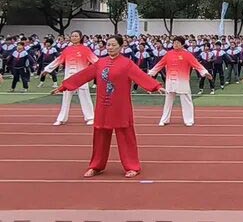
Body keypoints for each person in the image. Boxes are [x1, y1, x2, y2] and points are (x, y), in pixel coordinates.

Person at [51, 35, 166, 178]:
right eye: (108, 45)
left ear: (120, 46)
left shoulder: (126, 64)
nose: (110, 48)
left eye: (113, 45)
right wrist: (64, 86)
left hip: (120, 106)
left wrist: (156, 86)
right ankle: (96, 166)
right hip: (103, 106)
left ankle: (132, 166)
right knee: (100, 136)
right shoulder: (100, 63)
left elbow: (140, 76)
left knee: (125, 135)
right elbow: (83, 75)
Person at [149, 36, 212, 127]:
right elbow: (159, 64)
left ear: (182, 44)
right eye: (174, 42)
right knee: (168, 101)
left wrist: (205, 72)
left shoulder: (187, 54)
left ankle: (189, 120)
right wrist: (151, 73)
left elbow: (196, 64)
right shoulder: (168, 54)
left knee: (186, 100)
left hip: (183, 81)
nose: (176, 44)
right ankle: (164, 119)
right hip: (170, 80)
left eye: (178, 43)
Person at [41, 30, 97, 126]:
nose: (74, 38)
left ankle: (90, 117)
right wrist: (47, 69)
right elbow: (58, 60)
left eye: (76, 36)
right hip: (69, 77)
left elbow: (96, 61)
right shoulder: (67, 50)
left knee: (85, 97)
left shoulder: (86, 49)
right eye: (72, 36)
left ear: (80, 37)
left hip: (81, 78)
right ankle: (62, 119)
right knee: (66, 98)